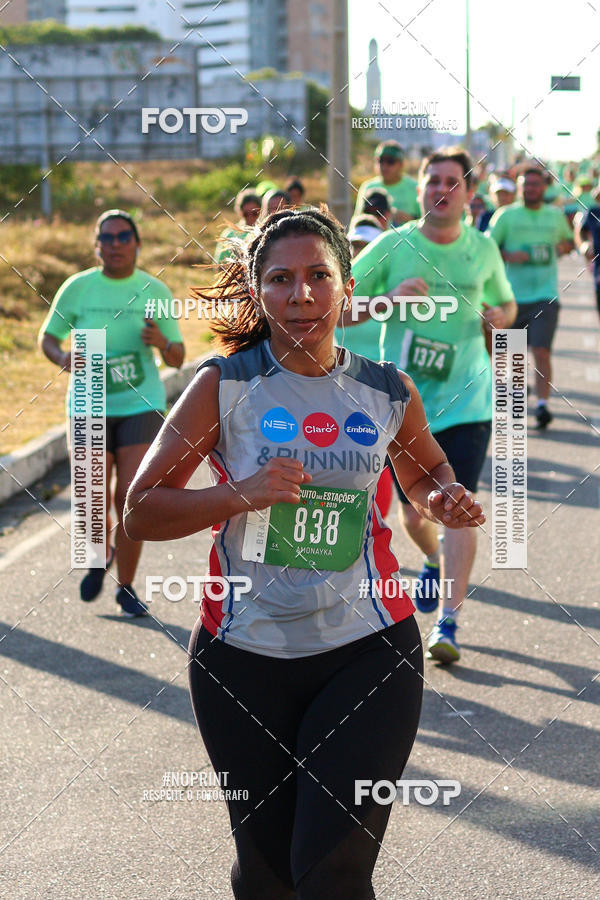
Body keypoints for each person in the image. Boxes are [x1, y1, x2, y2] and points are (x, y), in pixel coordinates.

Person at [124, 206, 484, 898]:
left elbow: (427, 473)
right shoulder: (224, 385)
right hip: (242, 659)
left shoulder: (384, 388)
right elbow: (141, 511)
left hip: (369, 650)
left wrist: (443, 497)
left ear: (346, 284)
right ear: (258, 292)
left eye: (320, 275)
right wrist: (242, 494)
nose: (303, 295)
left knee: (332, 873)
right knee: (265, 878)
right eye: (282, 279)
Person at [345, 148, 516, 664]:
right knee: (414, 514)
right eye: (433, 180)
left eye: (452, 181)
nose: (442, 189)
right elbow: (338, 309)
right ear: (419, 191)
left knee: (457, 505)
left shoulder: (483, 248)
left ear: (468, 193)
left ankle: (448, 621)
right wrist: (389, 299)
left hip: (468, 401)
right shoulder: (394, 246)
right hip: (402, 408)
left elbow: (507, 306)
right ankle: (435, 559)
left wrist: (498, 320)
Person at [38, 209, 184, 616]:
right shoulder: (78, 288)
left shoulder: (155, 290)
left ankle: (128, 586)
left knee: (130, 498)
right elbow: (47, 338)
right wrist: (62, 357)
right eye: (107, 237)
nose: (115, 244)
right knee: (92, 496)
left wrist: (159, 340)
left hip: (141, 402)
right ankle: (99, 553)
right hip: (88, 400)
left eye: (123, 237)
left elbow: (177, 358)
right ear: (96, 245)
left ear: (137, 243)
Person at [489, 167, 574, 429]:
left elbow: (568, 242)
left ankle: (542, 405)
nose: (530, 189)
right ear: (519, 188)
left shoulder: (554, 216)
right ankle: (516, 403)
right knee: (511, 355)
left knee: (541, 350)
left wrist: (560, 248)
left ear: (543, 188)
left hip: (545, 296)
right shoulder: (506, 216)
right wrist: (509, 256)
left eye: (535, 185)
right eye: (525, 185)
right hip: (511, 298)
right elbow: (489, 248)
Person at [354, 140, 420, 225]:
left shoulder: (415, 187)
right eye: (380, 160)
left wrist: (411, 219)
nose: (384, 166)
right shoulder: (368, 187)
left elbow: (429, 222)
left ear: (401, 164)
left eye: (390, 161)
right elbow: (357, 220)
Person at [574, 185, 600, 321]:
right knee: (509, 339)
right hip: (513, 296)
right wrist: (584, 245)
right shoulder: (593, 212)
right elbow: (580, 232)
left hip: (544, 299)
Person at [215, 189, 261, 263]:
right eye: (245, 214)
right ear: (239, 211)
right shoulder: (229, 235)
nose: (250, 217)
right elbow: (220, 264)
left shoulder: (265, 232)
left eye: (254, 213)